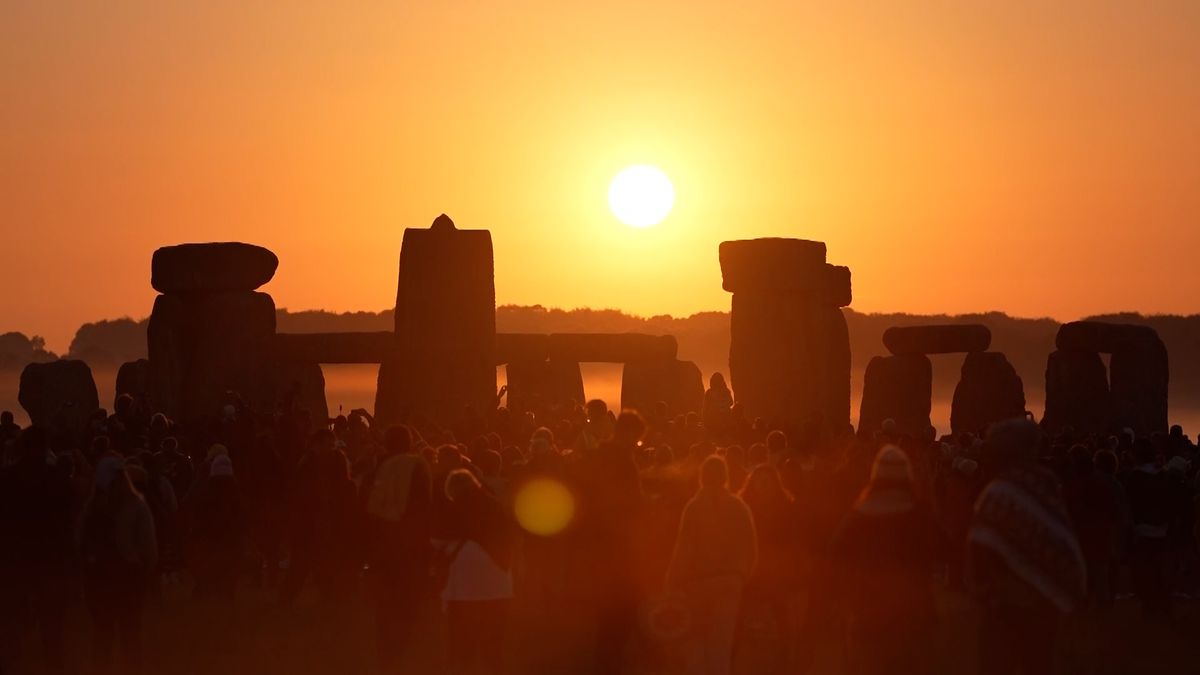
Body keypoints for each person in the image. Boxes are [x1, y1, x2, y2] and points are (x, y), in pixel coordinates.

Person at [968, 418, 1085, 675]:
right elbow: (1062, 539)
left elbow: (981, 547)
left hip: (1004, 603)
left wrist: (984, 589)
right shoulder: (1048, 485)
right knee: (1037, 663)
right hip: (1043, 603)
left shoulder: (999, 491)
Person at [829, 446, 943, 675]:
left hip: (867, 615)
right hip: (913, 616)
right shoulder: (919, 513)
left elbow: (834, 554)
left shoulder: (859, 515)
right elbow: (942, 550)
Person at [666, 455, 758, 675]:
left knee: (696, 641)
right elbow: (751, 546)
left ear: (701, 478)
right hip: (730, 582)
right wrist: (743, 577)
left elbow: (684, 548)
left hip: (698, 583)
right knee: (721, 646)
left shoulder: (694, 507)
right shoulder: (738, 506)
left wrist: (671, 580)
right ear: (725, 477)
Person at [576, 411, 646, 674]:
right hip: (617, 547)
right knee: (621, 611)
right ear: (629, 433)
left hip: (599, 547)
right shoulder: (621, 461)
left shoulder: (600, 455)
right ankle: (610, 663)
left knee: (609, 615)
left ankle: (607, 661)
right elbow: (626, 503)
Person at [0, 427, 74, 673]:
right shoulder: (59, 479)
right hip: (51, 561)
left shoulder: (7, 478)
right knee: (53, 632)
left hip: (15, 562)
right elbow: (69, 522)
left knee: (11, 630)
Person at [359, 425, 432, 669]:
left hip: (381, 541)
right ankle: (399, 646)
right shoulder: (418, 466)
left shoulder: (376, 468)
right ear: (410, 443)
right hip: (409, 542)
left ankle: (384, 651)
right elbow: (424, 505)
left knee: (385, 600)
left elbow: (365, 504)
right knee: (408, 597)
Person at [78, 456, 158, 674]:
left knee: (103, 635)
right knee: (129, 634)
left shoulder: (92, 509)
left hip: (99, 578)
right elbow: (149, 546)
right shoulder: (136, 506)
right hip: (127, 577)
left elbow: (80, 544)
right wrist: (145, 570)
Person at [440, 468, 516, 675]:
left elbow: (440, 538)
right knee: (494, 642)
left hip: (464, 581)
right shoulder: (494, 504)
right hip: (499, 579)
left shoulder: (454, 507)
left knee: (464, 640)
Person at [738, 464, 801, 671]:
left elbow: (794, 542)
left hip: (777, 572)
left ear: (775, 483)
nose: (763, 485)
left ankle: (784, 662)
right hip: (751, 570)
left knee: (781, 615)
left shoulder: (786, 507)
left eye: (767, 481)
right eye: (759, 480)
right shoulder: (744, 507)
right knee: (742, 616)